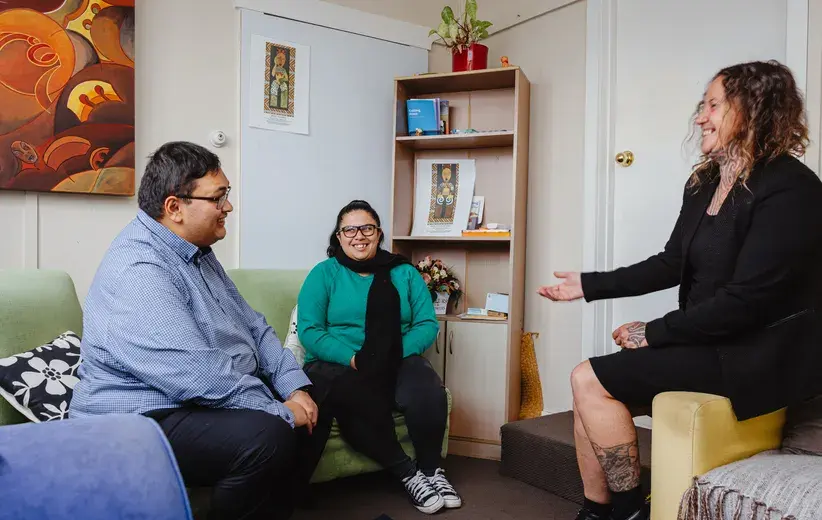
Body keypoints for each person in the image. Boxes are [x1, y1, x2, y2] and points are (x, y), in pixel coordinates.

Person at [539, 60, 822, 520]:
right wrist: (589, 286)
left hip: (757, 354)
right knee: (589, 389)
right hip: (712, 341)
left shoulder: (792, 190)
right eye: (702, 106)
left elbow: (748, 302)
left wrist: (653, 332)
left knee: (588, 376)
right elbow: (672, 262)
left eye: (713, 105)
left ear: (754, 110)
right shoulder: (706, 181)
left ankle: (629, 511)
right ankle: (597, 510)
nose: (700, 117)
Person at [70, 141, 318, 520]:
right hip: (136, 419)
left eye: (227, 195)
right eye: (219, 198)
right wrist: (280, 411)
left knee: (315, 397)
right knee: (268, 435)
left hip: (185, 402)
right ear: (175, 208)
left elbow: (254, 325)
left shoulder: (196, 251)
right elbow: (198, 375)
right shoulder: (141, 269)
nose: (228, 207)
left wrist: (293, 388)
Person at [295, 200, 462, 514]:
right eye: (350, 229)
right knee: (350, 393)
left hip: (397, 355)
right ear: (339, 236)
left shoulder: (404, 272)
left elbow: (426, 323)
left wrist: (394, 353)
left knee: (425, 387)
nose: (359, 235)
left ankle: (431, 471)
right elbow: (311, 330)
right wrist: (354, 358)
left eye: (367, 228)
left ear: (379, 233)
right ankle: (407, 472)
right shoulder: (324, 274)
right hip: (340, 361)